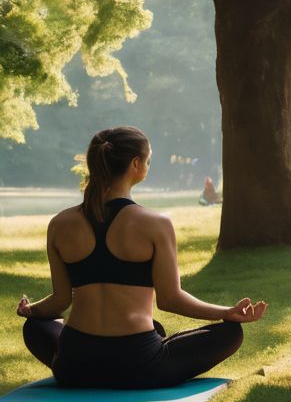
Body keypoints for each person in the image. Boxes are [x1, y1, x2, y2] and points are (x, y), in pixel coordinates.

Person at [16, 127, 265, 388]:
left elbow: (60, 300)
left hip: (74, 365)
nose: (147, 165)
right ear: (136, 164)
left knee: (35, 326)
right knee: (230, 333)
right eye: (147, 160)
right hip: (139, 367)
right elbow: (170, 299)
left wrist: (31, 310)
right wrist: (227, 312)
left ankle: (116, 354)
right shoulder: (155, 223)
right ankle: (152, 348)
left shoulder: (60, 223)